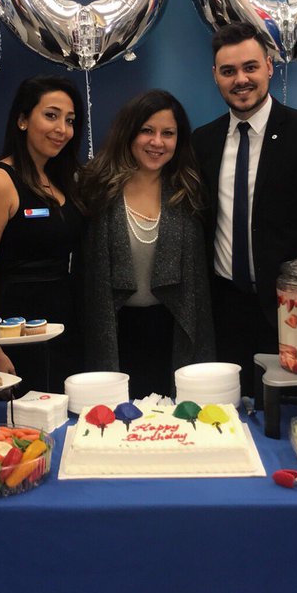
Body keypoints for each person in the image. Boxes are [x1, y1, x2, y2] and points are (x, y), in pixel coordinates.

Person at [191, 21, 297, 395]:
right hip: (224, 315)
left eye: (250, 67)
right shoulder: (201, 142)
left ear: (269, 66)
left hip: (295, 315)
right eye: (229, 71)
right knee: (227, 420)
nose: (241, 80)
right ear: (215, 76)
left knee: (294, 422)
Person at [80, 90, 214, 399]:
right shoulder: (96, 187)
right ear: (129, 132)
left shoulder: (189, 190)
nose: (157, 142)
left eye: (168, 133)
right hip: (114, 329)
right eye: (147, 131)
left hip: (174, 330)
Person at [0, 75, 85, 392]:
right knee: (21, 431)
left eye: (69, 120)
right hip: (12, 332)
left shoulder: (64, 181)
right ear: (22, 120)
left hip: (63, 323)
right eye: (51, 115)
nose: (62, 129)